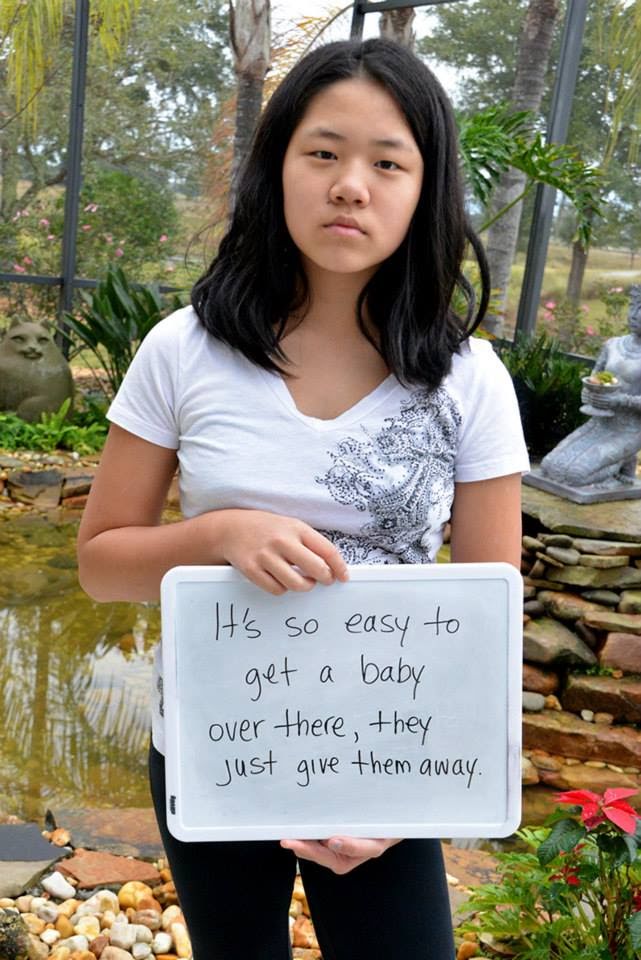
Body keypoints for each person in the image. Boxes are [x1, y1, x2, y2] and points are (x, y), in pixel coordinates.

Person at [78, 38, 529, 960]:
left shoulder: (468, 377)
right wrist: (219, 534)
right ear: (275, 166)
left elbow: (488, 615)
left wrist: (408, 800)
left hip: (389, 750)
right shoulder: (183, 351)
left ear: (426, 189)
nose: (349, 186)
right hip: (217, 742)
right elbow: (99, 565)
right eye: (322, 153)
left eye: (387, 163)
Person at [540, 284, 641, 488]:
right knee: (549, 466)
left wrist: (619, 400)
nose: (635, 314)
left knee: (576, 474)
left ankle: (621, 469)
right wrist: (589, 393)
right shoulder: (613, 344)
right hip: (600, 423)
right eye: (633, 306)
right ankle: (619, 464)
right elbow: (594, 378)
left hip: (630, 429)